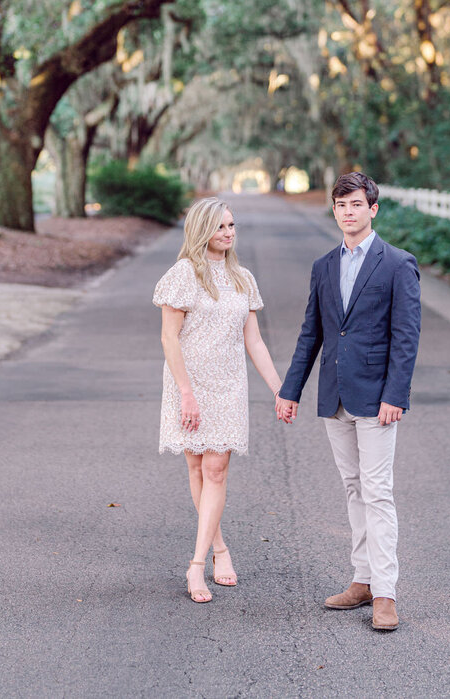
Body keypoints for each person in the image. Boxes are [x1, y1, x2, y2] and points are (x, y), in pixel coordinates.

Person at [276, 172, 421, 631]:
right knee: (354, 490)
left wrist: (395, 395)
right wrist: (290, 388)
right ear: (334, 209)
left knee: (378, 493)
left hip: (378, 399)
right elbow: (312, 333)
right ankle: (361, 580)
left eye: (357, 204)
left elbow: (406, 338)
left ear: (373, 208)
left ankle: (385, 594)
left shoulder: (398, 264)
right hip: (334, 397)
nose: (348, 212)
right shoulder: (323, 266)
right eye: (341, 205)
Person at [153, 196, 286, 604]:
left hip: (229, 385)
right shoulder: (183, 275)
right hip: (188, 383)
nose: (229, 233)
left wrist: (281, 388)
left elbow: (255, 341)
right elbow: (168, 338)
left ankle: (196, 565)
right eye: (221, 227)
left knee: (215, 469)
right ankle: (220, 549)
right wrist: (187, 394)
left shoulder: (243, 278)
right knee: (196, 467)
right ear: (201, 231)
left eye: (232, 226)